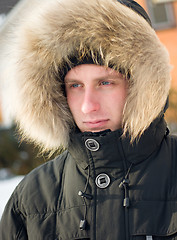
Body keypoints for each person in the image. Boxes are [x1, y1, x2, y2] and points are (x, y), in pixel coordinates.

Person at [0, 0, 175, 239]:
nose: (87, 106)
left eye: (105, 83)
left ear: (140, 86)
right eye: (75, 86)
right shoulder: (31, 199)